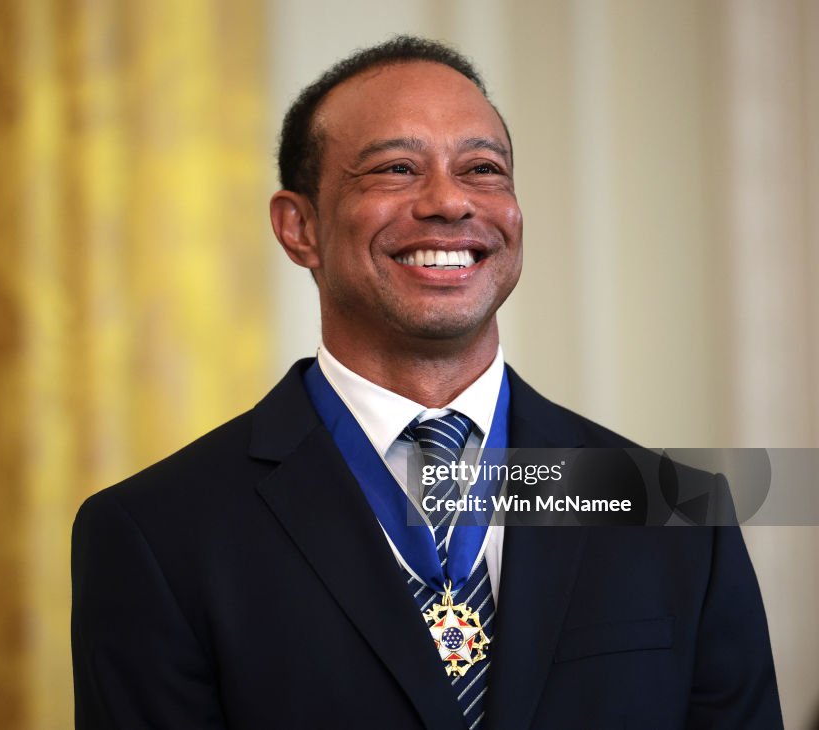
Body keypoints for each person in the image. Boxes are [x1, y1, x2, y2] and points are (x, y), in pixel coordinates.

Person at [71, 36, 782, 729]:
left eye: (483, 169)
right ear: (299, 228)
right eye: (396, 170)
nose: (449, 202)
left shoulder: (681, 514)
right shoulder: (154, 536)